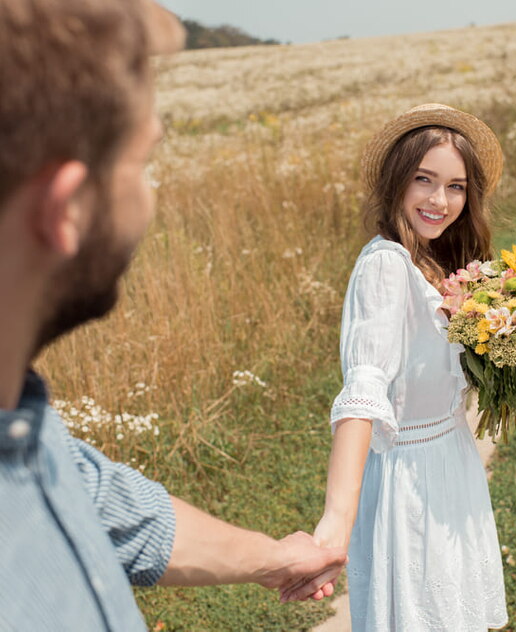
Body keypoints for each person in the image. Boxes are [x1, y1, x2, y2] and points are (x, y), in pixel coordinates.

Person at [0, 1, 346, 629]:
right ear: (68, 208)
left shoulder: (21, 427)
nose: (149, 198)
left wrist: (274, 557)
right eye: (142, 162)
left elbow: (106, 502)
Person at [294, 104, 509, 629]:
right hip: (411, 480)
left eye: (456, 186)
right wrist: (336, 523)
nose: (440, 200)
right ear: (396, 181)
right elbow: (364, 389)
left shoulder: (434, 261)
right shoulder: (387, 265)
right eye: (424, 180)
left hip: (450, 460)